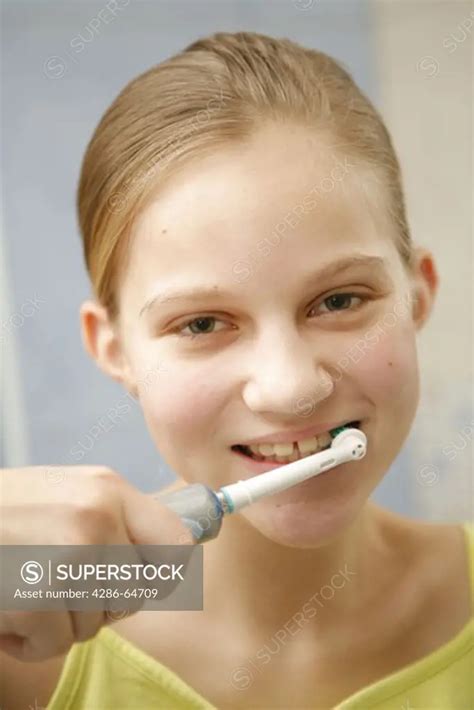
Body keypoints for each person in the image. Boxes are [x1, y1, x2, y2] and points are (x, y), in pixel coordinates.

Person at [1, 31, 472, 710]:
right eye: (201, 324)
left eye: (338, 301)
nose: (290, 386)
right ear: (114, 350)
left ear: (418, 293)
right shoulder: (22, 655)